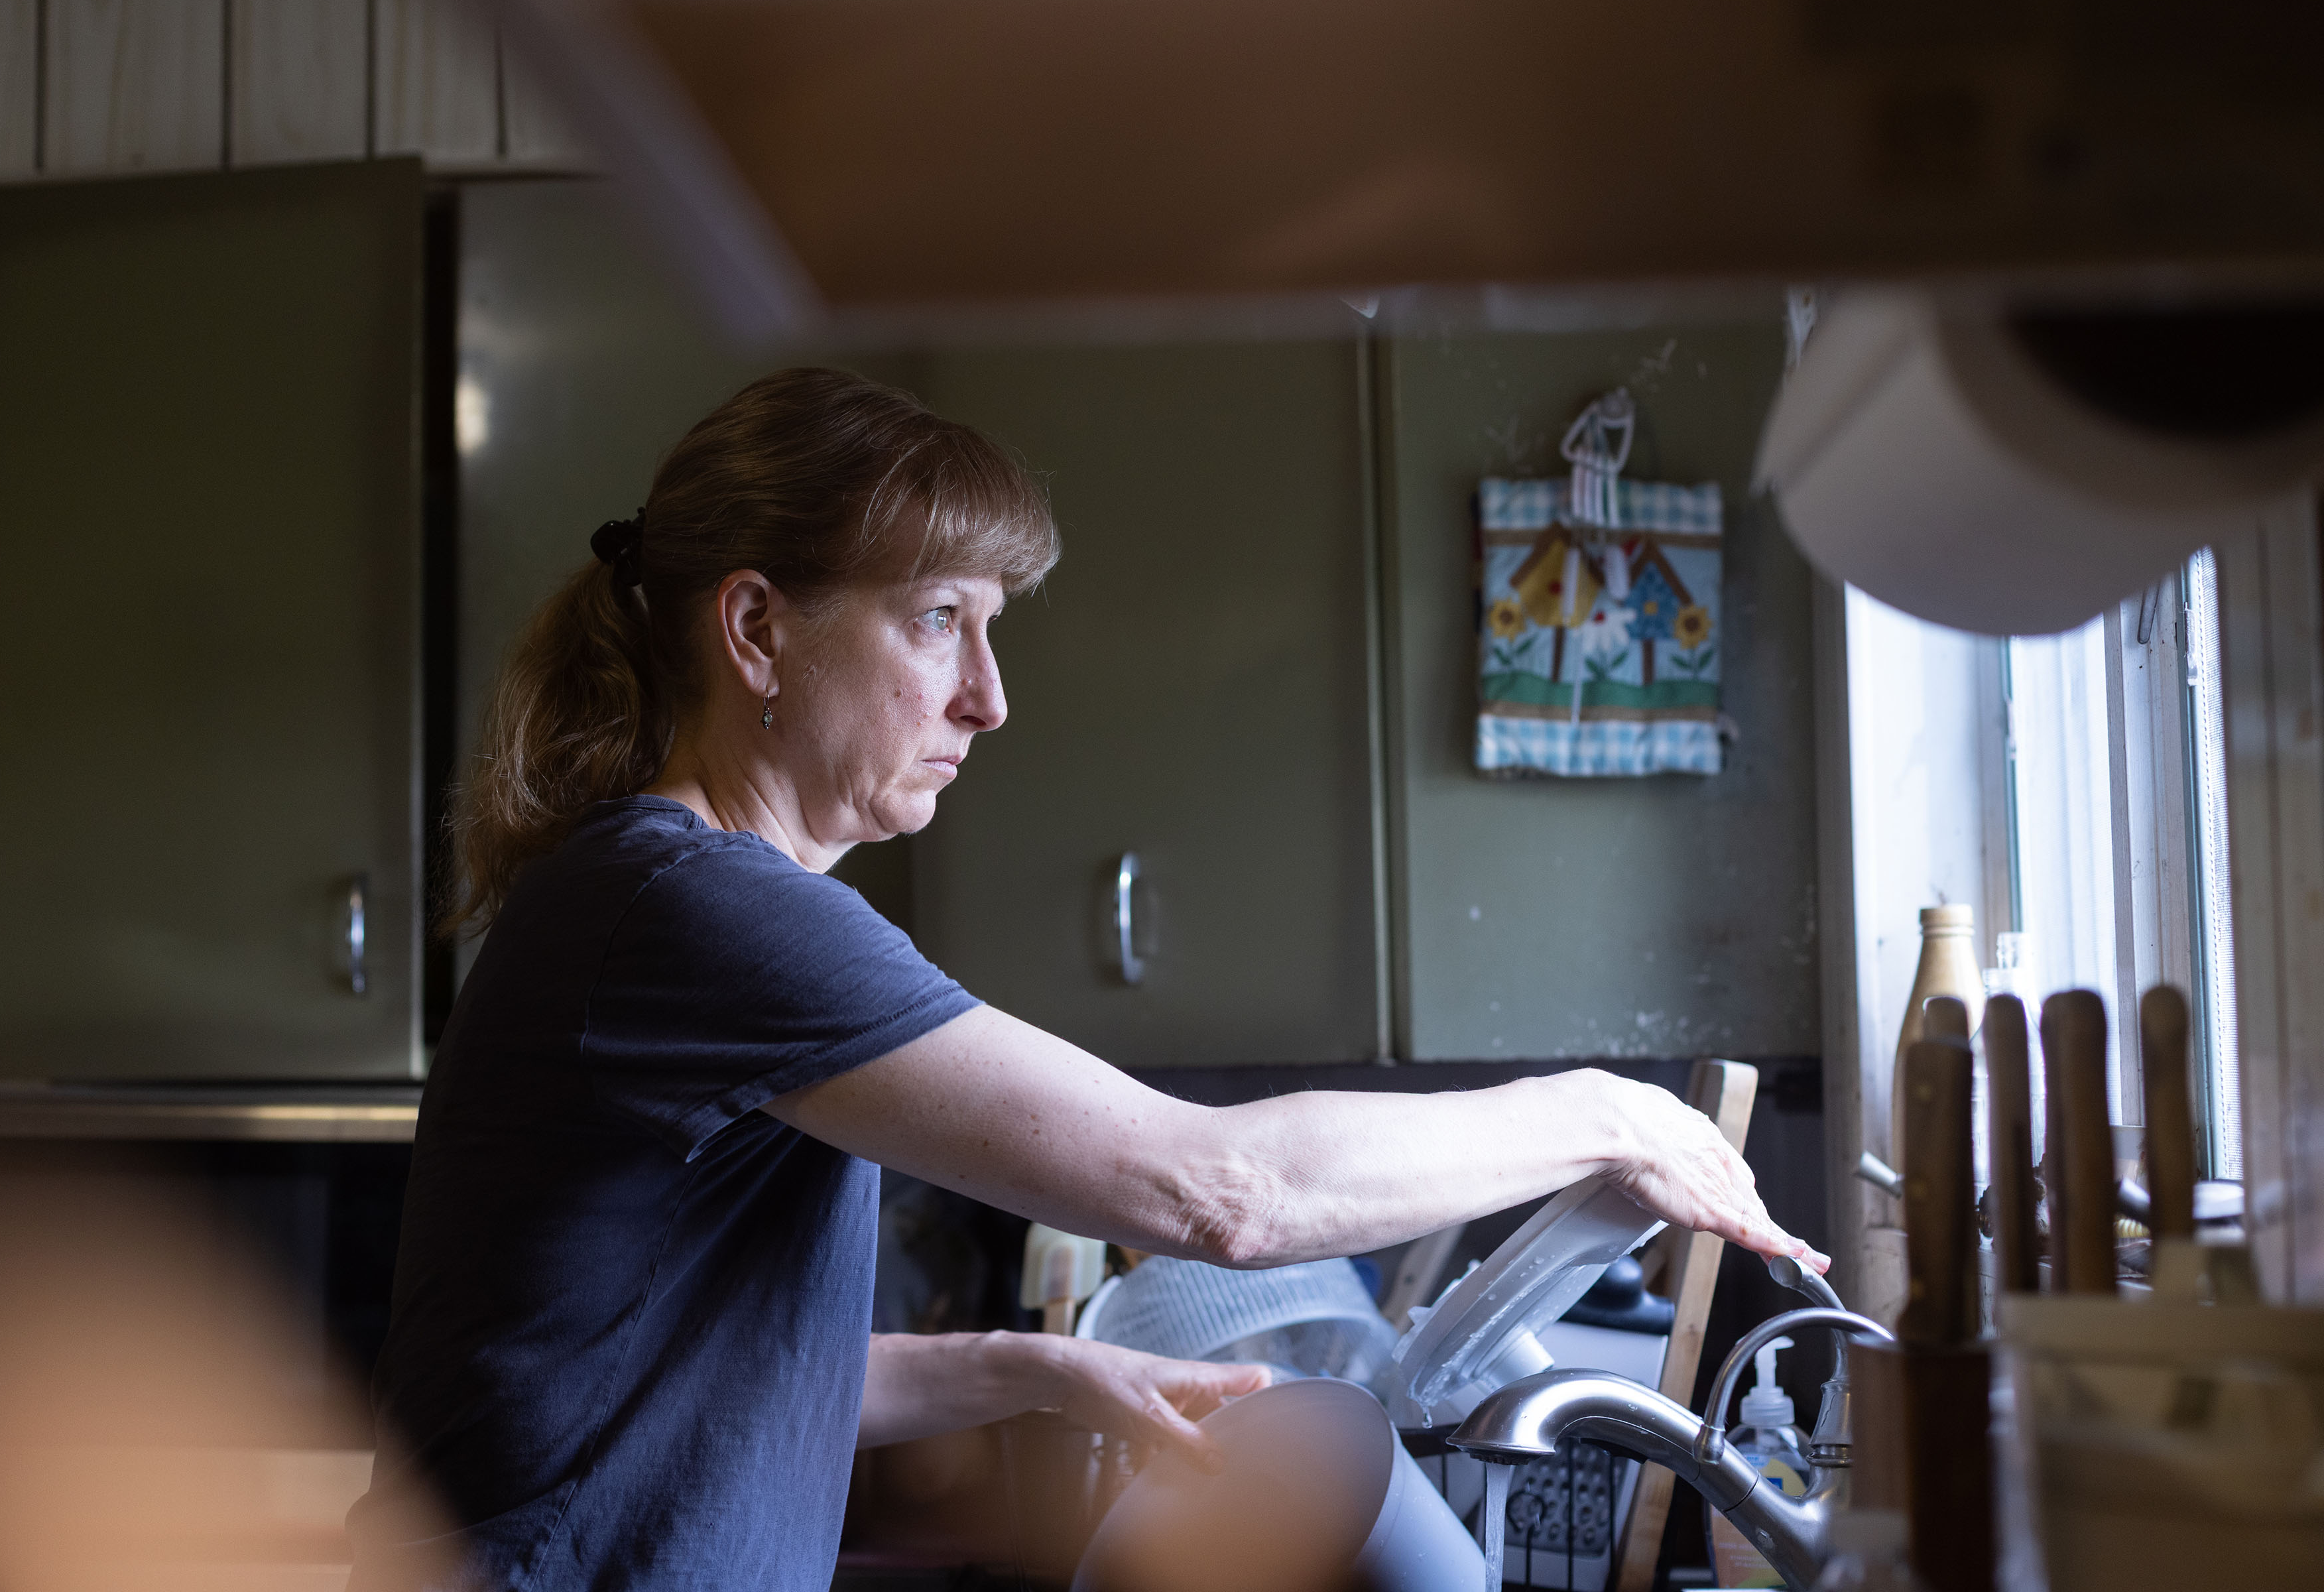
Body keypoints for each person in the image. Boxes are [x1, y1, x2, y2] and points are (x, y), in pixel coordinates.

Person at [347, 367, 1827, 1592]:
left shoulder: (673, 897)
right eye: (940, 618)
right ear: (757, 629)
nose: (991, 696)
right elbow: (1215, 1191)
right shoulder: (699, 906)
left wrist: (1036, 1368)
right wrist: (1605, 1112)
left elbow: (697, 1379)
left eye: (995, 627)